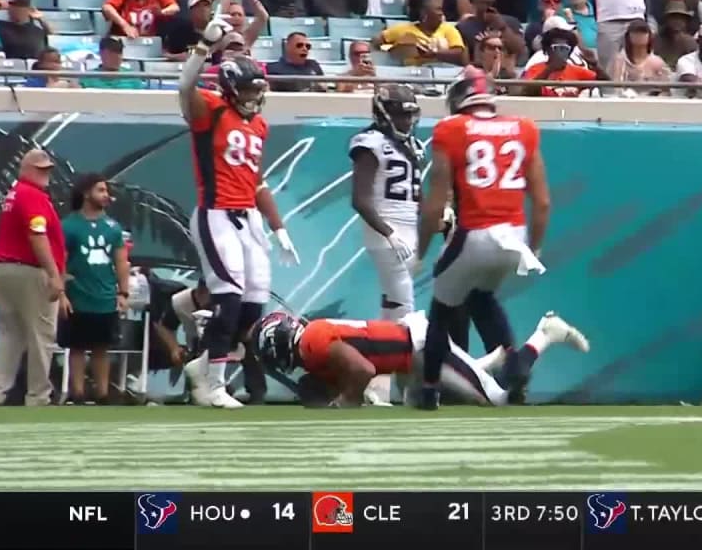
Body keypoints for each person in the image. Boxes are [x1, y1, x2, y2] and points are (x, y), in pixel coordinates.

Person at [176, 16, 301, 408]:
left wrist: (279, 227)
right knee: (228, 298)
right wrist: (203, 48)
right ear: (229, 89)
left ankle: (203, 366)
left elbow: (257, 180)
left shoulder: (258, 125)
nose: (253, 96)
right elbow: (184, 87)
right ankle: (213, 385)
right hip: (216, 213)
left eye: (256, 89)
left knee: (252, 307)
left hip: (248, 217)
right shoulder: (210, 111)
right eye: (246, 89)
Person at [413, 66, 551, 410]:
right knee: (481, 299)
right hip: (514, 235)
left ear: (458, 97)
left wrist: (421, 249)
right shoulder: (524, 128)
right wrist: (533, 247)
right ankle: (514, 362)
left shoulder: (452, 129)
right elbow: (543, 201)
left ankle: (430, 390)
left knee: (441, 310)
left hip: (474, 233)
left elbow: (434, 204)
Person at [251, 308, 588, 408]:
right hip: (408, 361)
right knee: (419, 410)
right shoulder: (312, 344)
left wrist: (347, 401)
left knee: (500, 400)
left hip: (423, 348)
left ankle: (545, 334)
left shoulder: (312, 342)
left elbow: (363, 369)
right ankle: (485, 363)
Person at [348, 84, 427, 403]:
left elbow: (416, 195)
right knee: (405, 309)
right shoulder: (371, 143)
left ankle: (376, 380)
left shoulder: (414, 145)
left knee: (392, 310)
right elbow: (360, 199)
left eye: (410, 114)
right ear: (383, 113)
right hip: (386, 231)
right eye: (399, 114)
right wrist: (388, 232)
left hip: (409, 232)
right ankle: (394, 387)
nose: (406, 121)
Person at [0, 148, 65, 407]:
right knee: (41, 334)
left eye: (48, 169)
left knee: (11, 334)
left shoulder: (14, 194)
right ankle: (38, 396)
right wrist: (54, 275)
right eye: (40, 169)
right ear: (26, 169)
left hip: (3, 269)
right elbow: (37, 234)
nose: (46, 174)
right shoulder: (32, 195)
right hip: (29, 270)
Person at [58, 173, 129, 404]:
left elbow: (121, 261)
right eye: (100, 190)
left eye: (106, 191)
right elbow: (59, 260)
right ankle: (76, 393)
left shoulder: (113, 227)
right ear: (86, 193)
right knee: (76, 348)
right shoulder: (68, 226)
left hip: (105, 296)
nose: (106, 195)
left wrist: (123, 292)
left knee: (102, 348)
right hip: (77, 296)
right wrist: (61, 294)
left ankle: (103, 394)